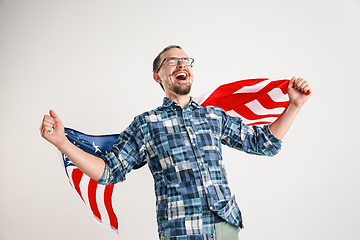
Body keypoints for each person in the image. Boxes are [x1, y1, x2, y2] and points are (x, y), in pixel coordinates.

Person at [40, 45, 312, 240]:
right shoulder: (146, 124)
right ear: (158, 76)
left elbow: (265, 143)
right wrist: (63, 143)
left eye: (186, 60)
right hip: (180, 230)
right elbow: (109, 171)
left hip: (224, 225)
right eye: (172, 61)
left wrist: (294, 106)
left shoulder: (213, 116)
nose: (182, 64)